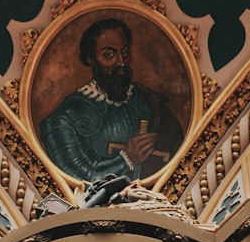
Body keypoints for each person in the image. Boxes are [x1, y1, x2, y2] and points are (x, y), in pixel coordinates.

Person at [39, 18, 185, 183]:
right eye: (109, 55)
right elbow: (79, 180)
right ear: (90, 59)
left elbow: (177, 152)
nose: (121, 62)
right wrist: (127, 159)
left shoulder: (148, 100)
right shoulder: (65, 117)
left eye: (124, 53)